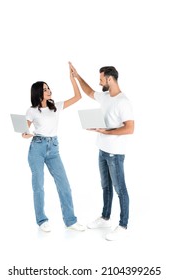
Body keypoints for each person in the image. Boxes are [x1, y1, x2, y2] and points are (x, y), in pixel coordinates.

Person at [69, 62, 134, 241]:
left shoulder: (123, 102)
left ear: (110, 79)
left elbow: (130, 128)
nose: (99, 83)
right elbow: (89, 91)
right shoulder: (105, 96)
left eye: (101, 79)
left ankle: (123, 225)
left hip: (115, 153)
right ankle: (105, 217)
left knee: (120, 189)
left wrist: (108, 131)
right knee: (105, 187)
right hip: (102, 150)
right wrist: (76, 76)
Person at [22, 62, 86, 232]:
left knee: (64, 184)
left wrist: (72, 78)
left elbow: (78, 96)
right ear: (38, 93)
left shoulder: (55, 106)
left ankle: (70, 220)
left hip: (54, 148)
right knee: (39, 186)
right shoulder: (32, 111)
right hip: (37, 148)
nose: (48, 90)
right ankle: (42, 220)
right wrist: (26, 133)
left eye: (48, 88)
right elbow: (24, 131)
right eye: (45, 89)